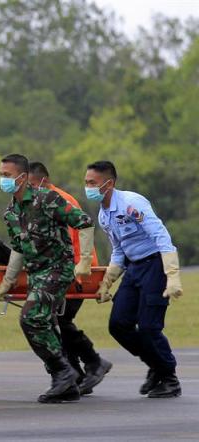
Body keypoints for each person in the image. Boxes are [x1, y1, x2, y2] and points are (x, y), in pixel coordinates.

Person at [0, 154, 95, 403]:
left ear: (23, 177)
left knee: (31, 317)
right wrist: (7, 280)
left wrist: (83, 262)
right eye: (1, 175)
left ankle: (63, 373)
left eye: (7, 175)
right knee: (46, 323)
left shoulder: (47, 199)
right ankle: (65, 383)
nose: (2, 180)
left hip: (58, 269)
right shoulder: (11, 212)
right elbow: (18, 247)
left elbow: (85, 223)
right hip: (37, 272)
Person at [85, 161, 183, 398]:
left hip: (156, 264)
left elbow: (160, 235)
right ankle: (156, 365)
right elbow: (119, 249)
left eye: (92, 183)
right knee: (118, 325)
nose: (87, 187)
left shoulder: (131, 203)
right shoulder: (104, 215)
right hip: (134, 267)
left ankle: (169, 378)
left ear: (109, 184)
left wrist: (172, 275)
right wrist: (107, 282)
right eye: (86, 182)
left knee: (149, 326)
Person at [28, 161, 112, 394]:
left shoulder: (57, 201)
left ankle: (93, 363)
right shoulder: (38, 201)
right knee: (54, 320)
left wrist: (79, 266)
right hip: (62, 269)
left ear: (43, 181)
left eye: (31, 184)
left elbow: (74, 235)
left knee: (58, 321)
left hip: (77, 270)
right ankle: (75, 372)